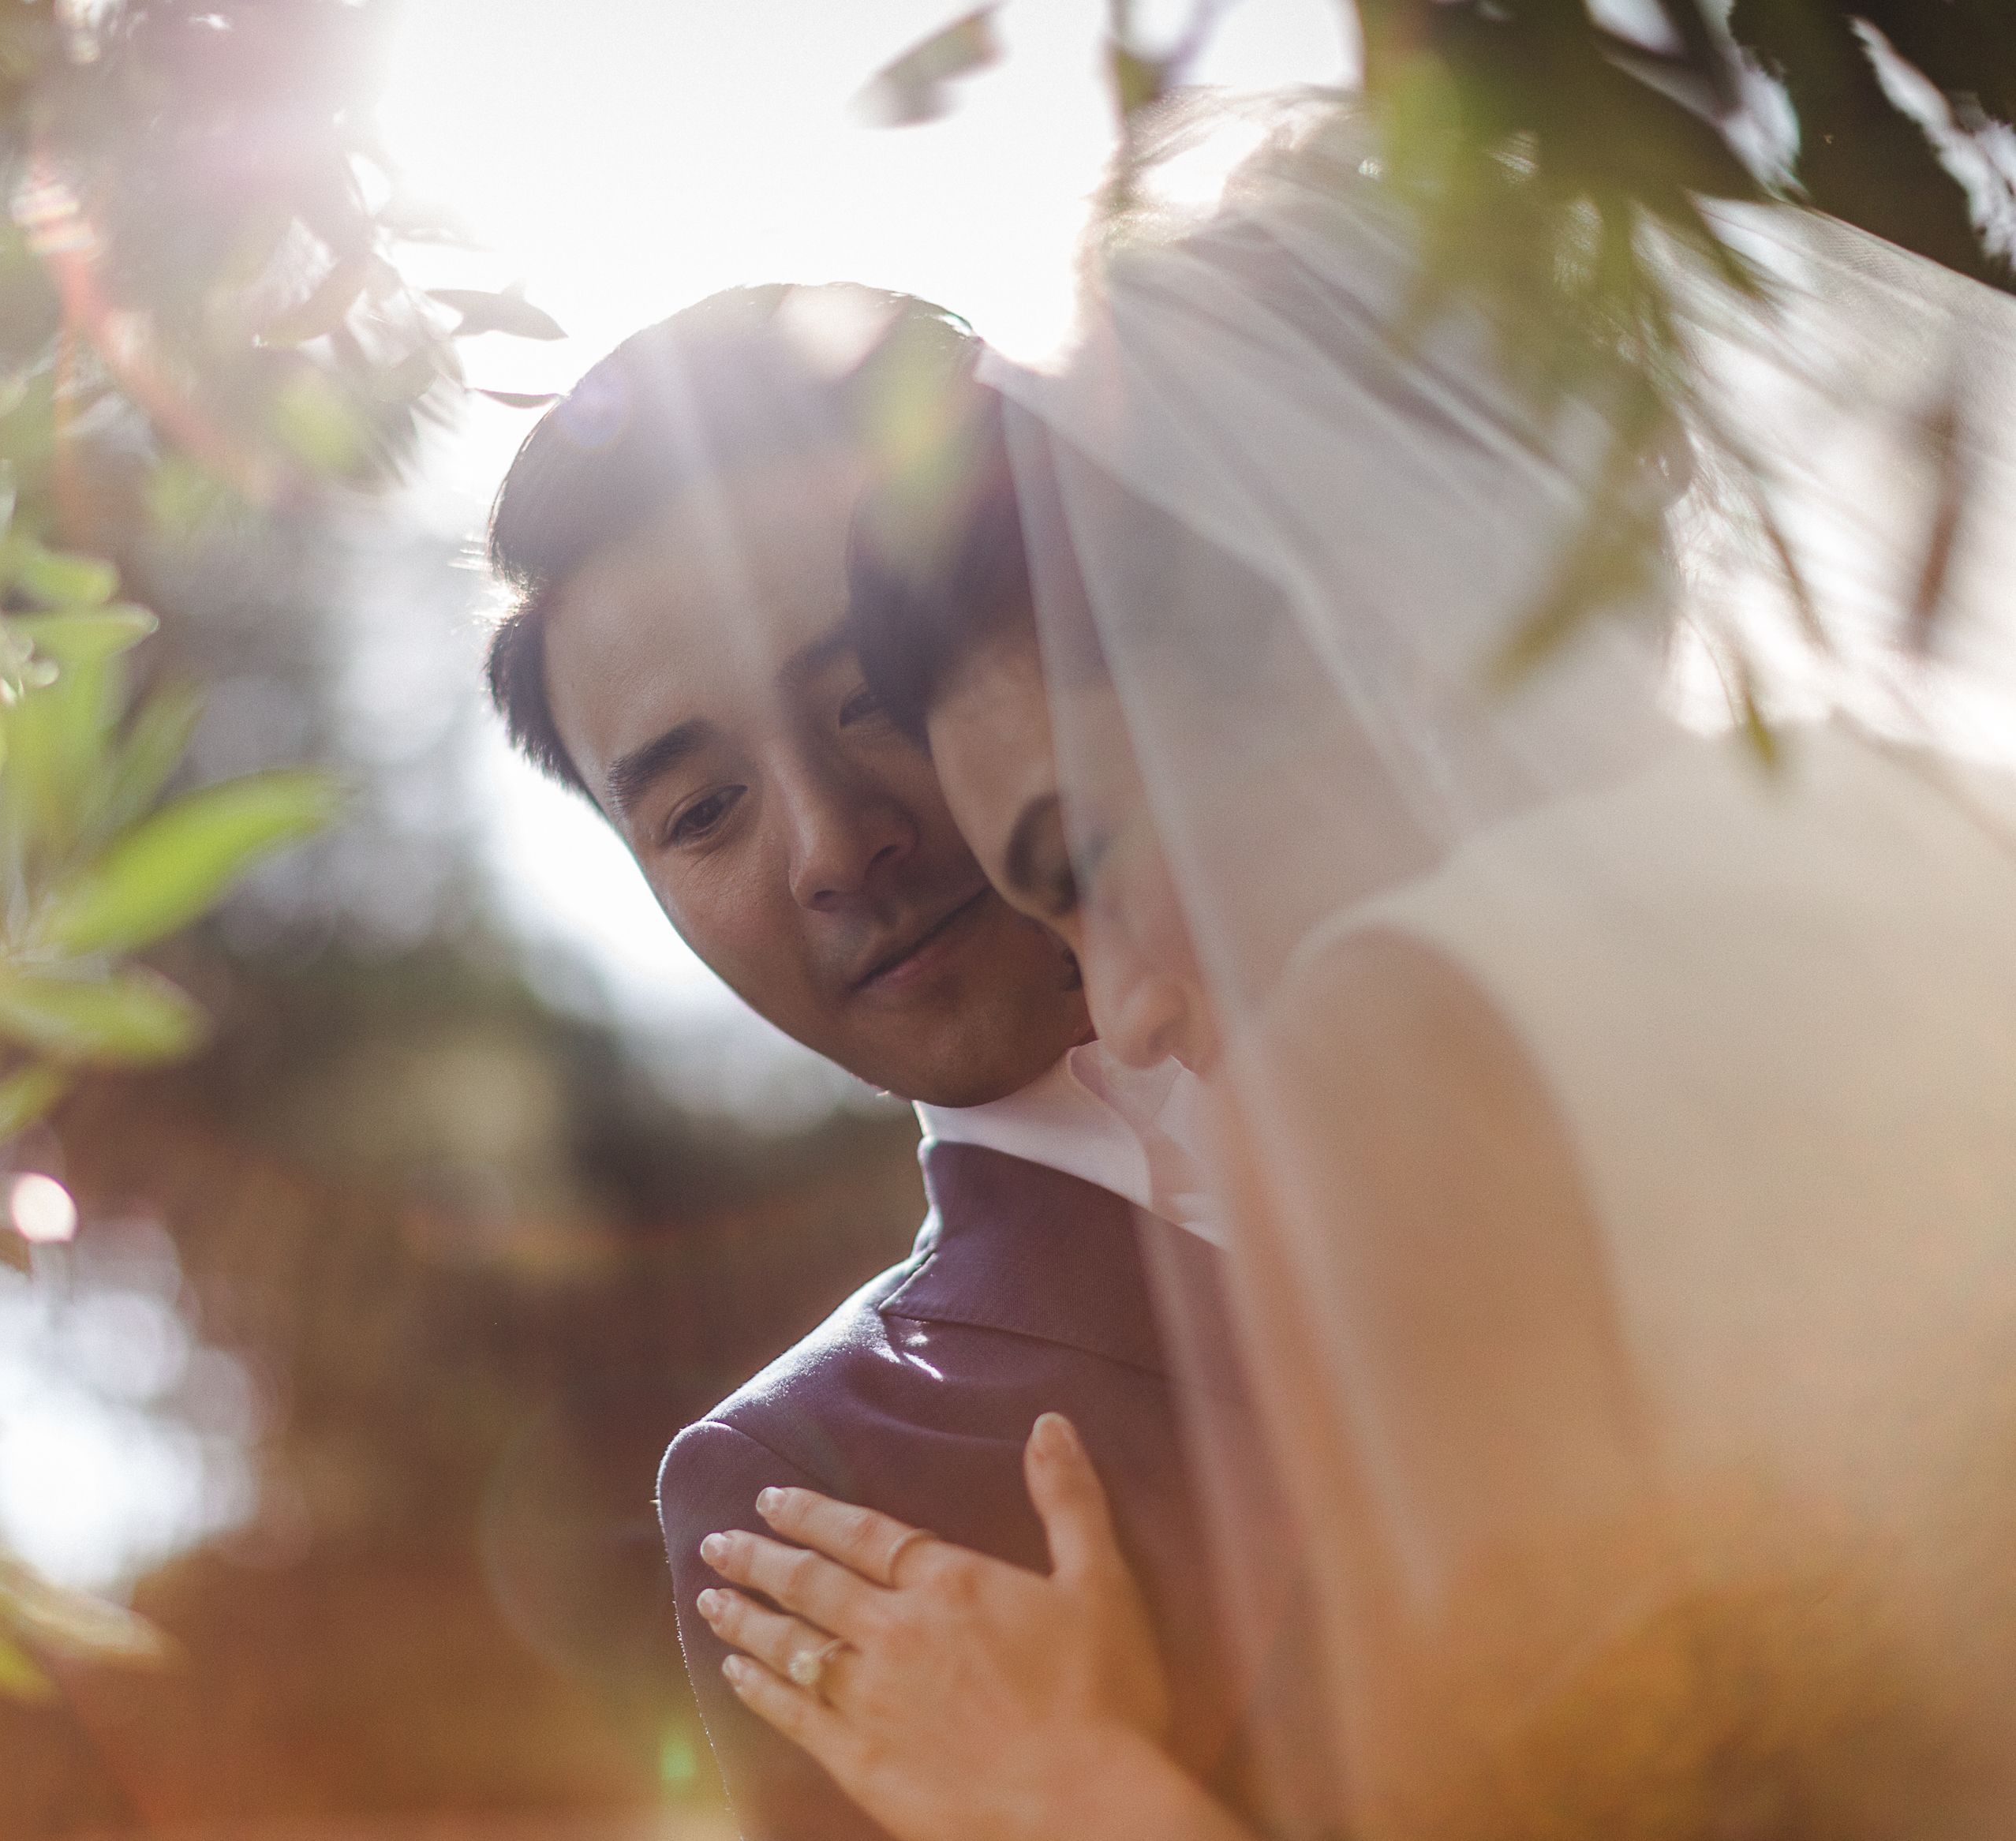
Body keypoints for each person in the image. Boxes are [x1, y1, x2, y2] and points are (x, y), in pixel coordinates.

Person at [690, 99, 2016, 1841]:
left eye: (1084, 863)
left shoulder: (1411, 1040)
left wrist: (1069, 1795)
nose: (1125, 1004)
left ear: (1357, 626)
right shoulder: (1938, 829)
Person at [481, 286, 1289, 1841]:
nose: (836, 845)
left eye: (866, 696)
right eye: (702, 811)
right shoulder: (811, 1488)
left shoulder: (1528, 1010)